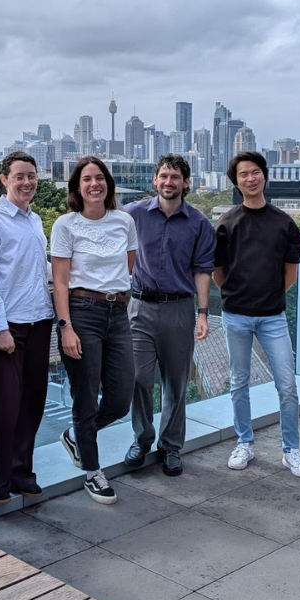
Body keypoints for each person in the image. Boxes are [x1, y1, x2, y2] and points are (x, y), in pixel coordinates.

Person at [214, 151, 300, 478]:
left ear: (264, 176)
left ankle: (291, 450)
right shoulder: (227, 223)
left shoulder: (283, 222)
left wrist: (268, 297)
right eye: (243, 174)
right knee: (238, 383)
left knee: (287, 385)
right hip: (236, 316)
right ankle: (244, 442)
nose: (250, 178)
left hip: (273, 317)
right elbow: (218, 271)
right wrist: (237, 294)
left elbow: (290, 274)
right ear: (236, 181)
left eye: (255, 172)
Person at [52, 157, 138, 504]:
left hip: (117, 312)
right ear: (77, 187)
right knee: (85, 395)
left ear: (108, 184)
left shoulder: (124, 221)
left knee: (120, 398)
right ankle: (92, 471)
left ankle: (76, 434)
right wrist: (65, 327)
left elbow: (127, 266)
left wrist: (113, 296)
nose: (94, 184)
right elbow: (59, 281)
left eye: (99, 178)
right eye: (86, 179)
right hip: (81, 312)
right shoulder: (65, 225)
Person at [123, 153, 215, 476]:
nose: (168, 182)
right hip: (139, 307)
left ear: (186, 183)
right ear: (155, 180)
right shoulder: (132, 214)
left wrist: (203, 312)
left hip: (179, 308)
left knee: (175, 383)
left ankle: (171, 446)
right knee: (138, 377)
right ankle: (142, 436)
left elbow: (203, 270)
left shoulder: (199, 223)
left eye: (175, 177)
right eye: (163, 175)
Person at [0, 151, 55, 505]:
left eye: (32, 176)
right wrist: (0, 327)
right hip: (5, 327)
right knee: (2, 405)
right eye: (19, 176)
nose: (27, 182)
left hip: (39, 321)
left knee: (32, 403)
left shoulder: (35, 221)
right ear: (4, 179)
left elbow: (41, 270)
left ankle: (22, 473)